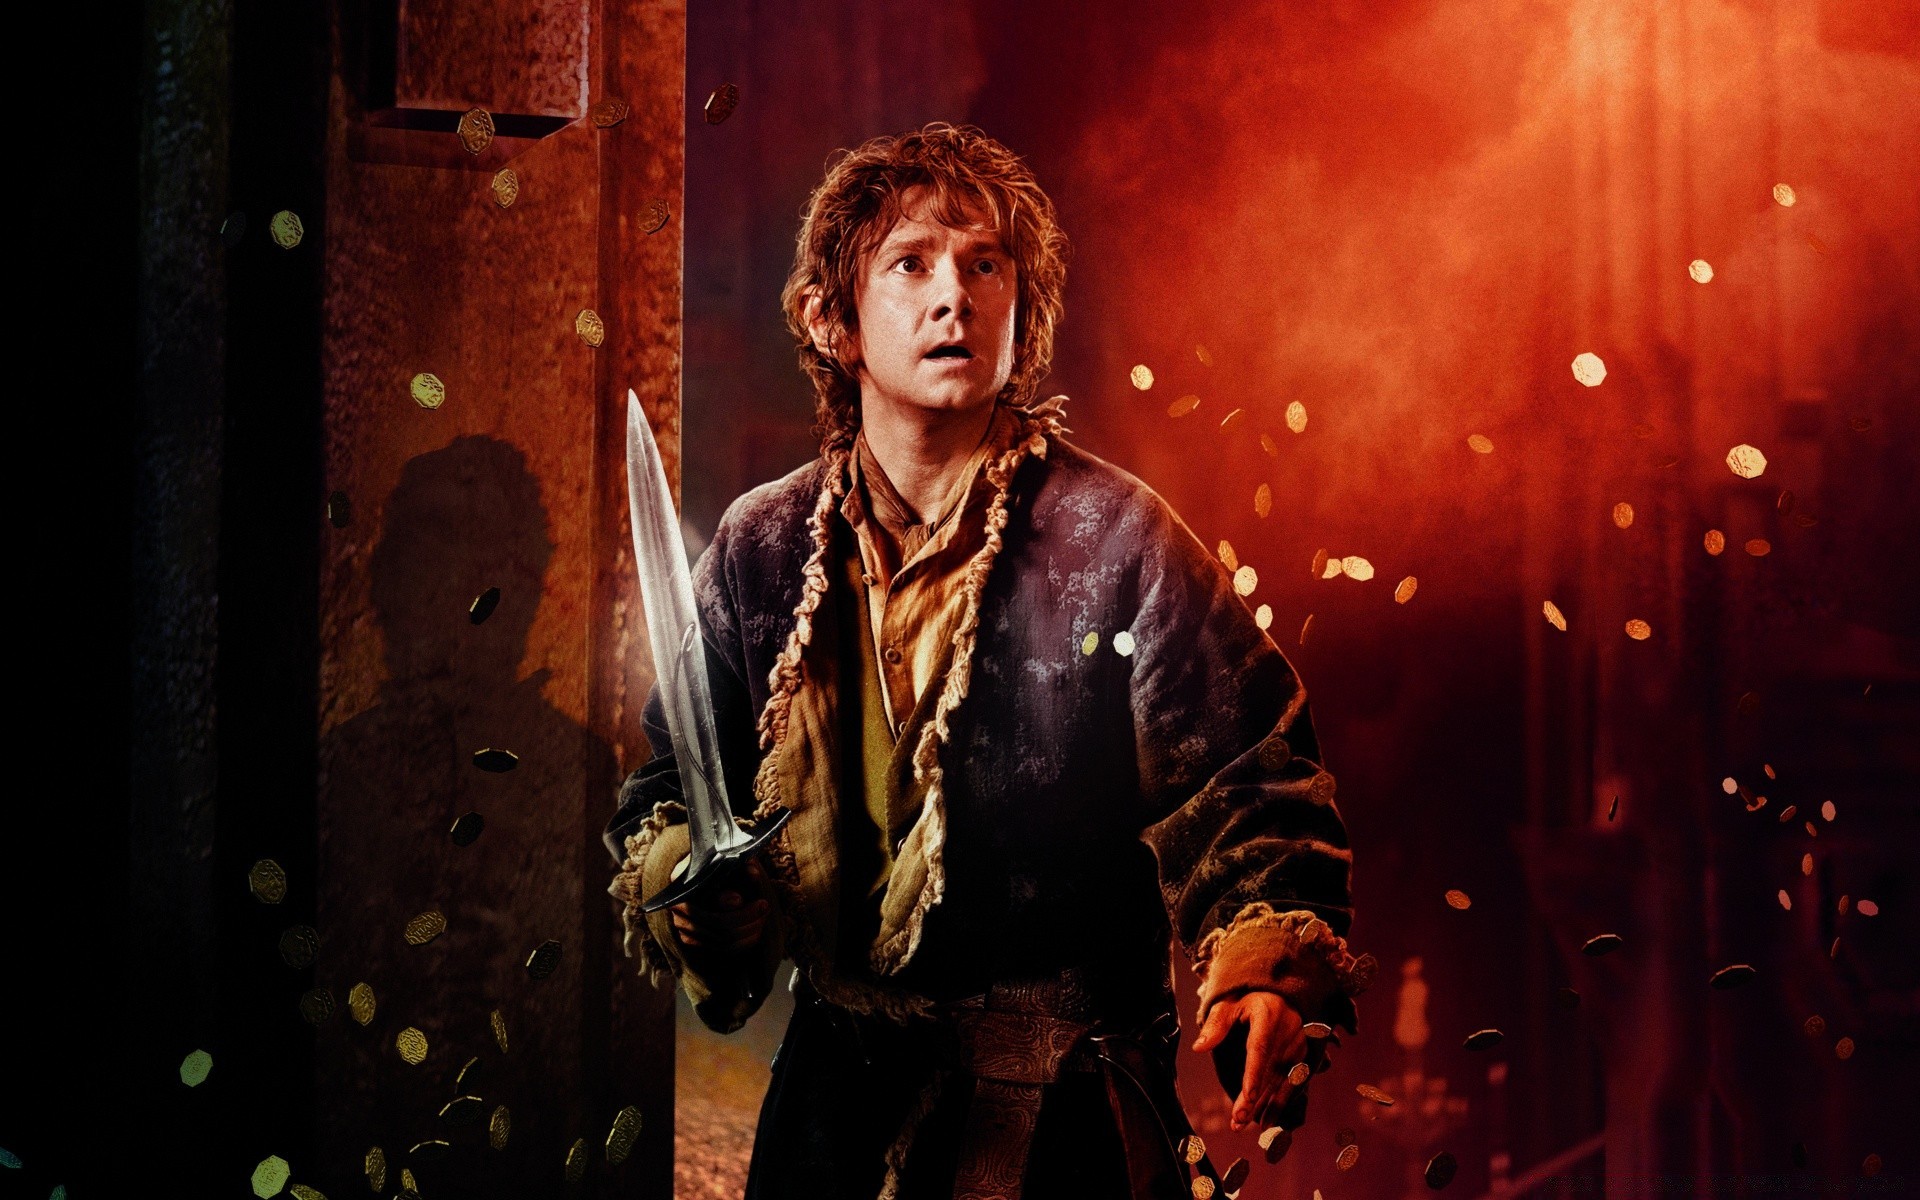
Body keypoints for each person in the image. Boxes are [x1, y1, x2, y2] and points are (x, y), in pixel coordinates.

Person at [604, 122, 1369, 1200]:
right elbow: (670, 786)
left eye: (985, 265)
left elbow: (1250, 775)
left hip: (1063, 1133)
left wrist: (1265, 972)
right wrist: (701, 889)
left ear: (1023, 312)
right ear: (831, 319)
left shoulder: (1116, 539)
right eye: (910, 264)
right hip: (829, 1131)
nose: (953, 298)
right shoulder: (761, 546)